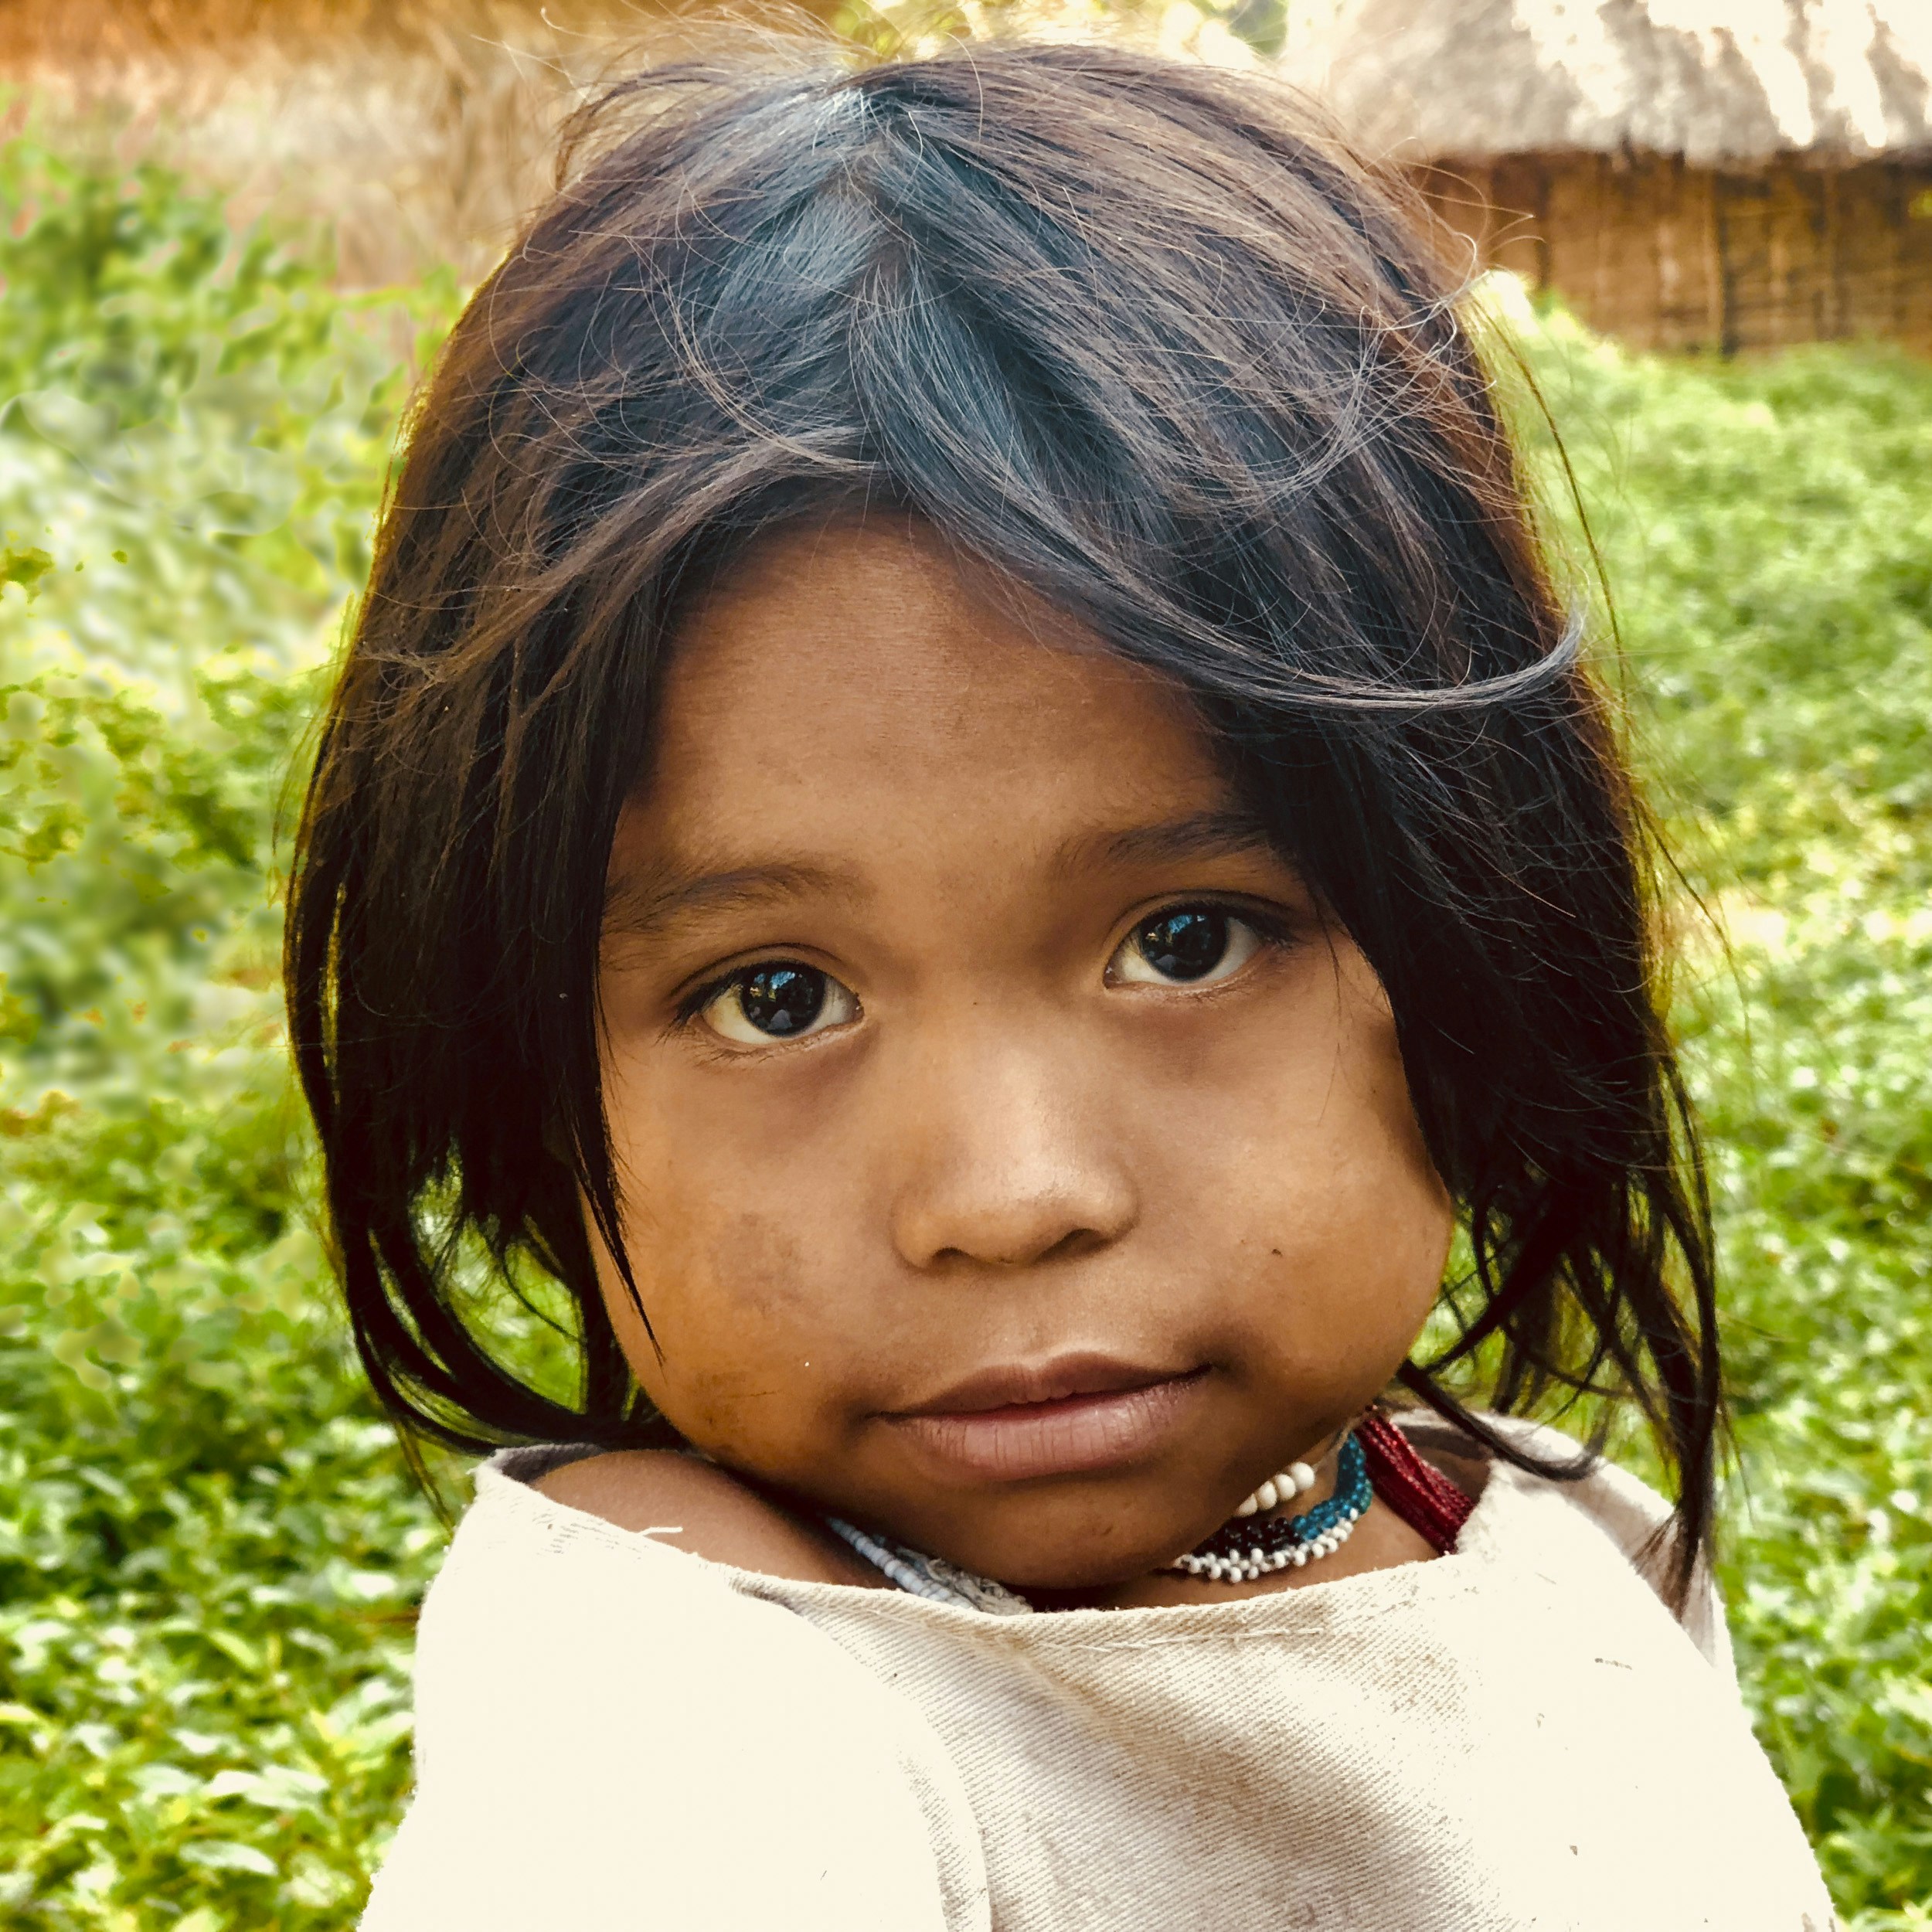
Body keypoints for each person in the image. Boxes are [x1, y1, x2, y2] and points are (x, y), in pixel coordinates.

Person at [285, 39, 1836, 1930]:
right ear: (519, 1060)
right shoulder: (690, 1701)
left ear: (1482, 918)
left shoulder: (1569, 1537)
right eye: (774, 993)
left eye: (1184, 939)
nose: (1009, 1195)